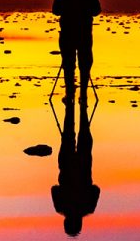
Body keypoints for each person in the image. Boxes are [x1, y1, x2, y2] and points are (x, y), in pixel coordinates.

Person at [52, 99, 98, 236]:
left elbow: (96, 189)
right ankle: (71, 104)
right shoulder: (60, 207)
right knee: (68, 134)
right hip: (67, 165)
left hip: (83, 166)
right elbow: (54, 189)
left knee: (82, 133)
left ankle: (81, 106)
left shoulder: (89, 208)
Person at [51, 0, 101, 93]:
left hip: (67, 33)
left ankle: (69, 93)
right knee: (85, 63)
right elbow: (96, 11)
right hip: (84, 33)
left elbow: (55, 11)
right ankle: (83, 93)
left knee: (68, 63)